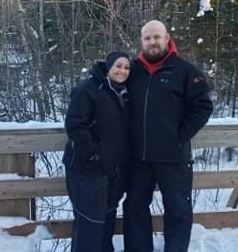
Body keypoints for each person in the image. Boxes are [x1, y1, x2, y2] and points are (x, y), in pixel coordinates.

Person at [123, 20, 213, 252]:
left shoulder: (185, 71)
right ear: (141, 41)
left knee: (178, 211)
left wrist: (179, 136)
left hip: (174, 157)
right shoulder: (132, 71)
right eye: (147, 38)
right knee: (134, 208)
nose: (152, 42)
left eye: (157, 37)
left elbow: (202, 107)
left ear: (167, 38)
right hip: (138, 157)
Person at [63, 51, 131, 252]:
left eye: (126, 68)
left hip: (112, 171)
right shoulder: (88, 90)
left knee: (107, 222)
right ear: (108, 67)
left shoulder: (124, 93)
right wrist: (92, 154)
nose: (122, 71)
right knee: (89, 225)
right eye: (118, 66)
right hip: (87, 171)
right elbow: (75, 125)